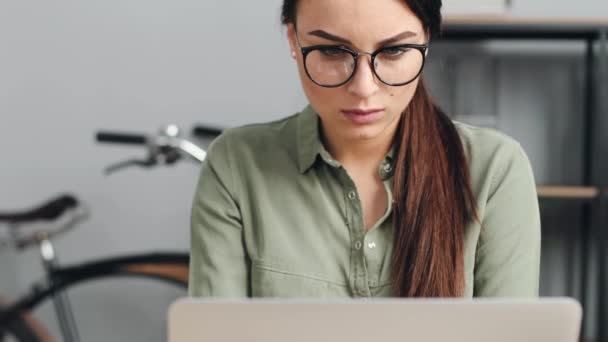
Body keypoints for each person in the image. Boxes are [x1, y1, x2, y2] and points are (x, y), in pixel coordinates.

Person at [188, 0, 540, 298]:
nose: (363, 87)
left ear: (426, 40)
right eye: (331, 51)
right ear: (293, 39)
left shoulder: (495, 171)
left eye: (394, 51)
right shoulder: (235, 166)